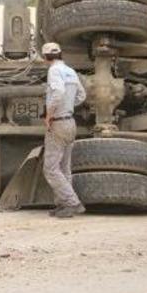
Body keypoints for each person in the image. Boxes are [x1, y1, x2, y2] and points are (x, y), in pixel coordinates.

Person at [42, 42, 87, 218]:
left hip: (58, 123)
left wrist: (49, 114)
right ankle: (62, 204)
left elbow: (58, 92)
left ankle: (72, 203)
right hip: (70, 122)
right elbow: (82, 96)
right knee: (64, 168)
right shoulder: (70, 71)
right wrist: (68, 107)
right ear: (60, 54)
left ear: (46, 57)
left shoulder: (54, 70)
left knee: (51, 169)